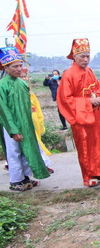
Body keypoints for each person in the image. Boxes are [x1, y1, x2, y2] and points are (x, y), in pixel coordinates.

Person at [57, 38, 100, 187]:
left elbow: (97, 87)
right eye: (82, 56)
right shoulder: (68, 74)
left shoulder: (89, 71)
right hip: (80, 116)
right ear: (74, 57)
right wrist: (88, 102)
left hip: (94, 115)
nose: (85, 59)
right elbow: (65, 99)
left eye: (87, 56)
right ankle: (88, 176)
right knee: (85, 146)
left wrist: (98, 97)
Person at [0, 47, 50, 191]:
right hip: (11, 126)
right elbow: (4, 110)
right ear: (6, 67)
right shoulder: (2, 85)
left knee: (27, 150)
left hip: (26, 124)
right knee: (14, 152)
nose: (19, 68)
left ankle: (26, 177)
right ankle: (16, 180)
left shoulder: (21, 83)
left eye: (20, 65)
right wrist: (13, 130)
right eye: (15, 66)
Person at [20, 67, 53, 172]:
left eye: (25, 76)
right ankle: (43, 164)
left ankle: (42, 164)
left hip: (33, 118)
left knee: (36, 140)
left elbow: (37, 107)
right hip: (22, 120)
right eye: (21, 77)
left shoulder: (29, 92)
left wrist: (40, 119)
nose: (24, 79)